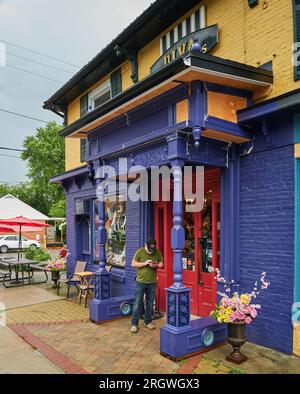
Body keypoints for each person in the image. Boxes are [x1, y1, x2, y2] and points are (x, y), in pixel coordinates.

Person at [130, 238, 163, 334]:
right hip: (140, 281)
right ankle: (134, 324)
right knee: (137, 302)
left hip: (152, 282)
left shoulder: (157, 252)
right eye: (149, 249)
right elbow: (133, 264)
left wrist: (155, 265)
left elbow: (161, 264)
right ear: (145, 245)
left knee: (149, 303)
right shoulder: (140, 251)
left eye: (153, 248)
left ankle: (147, 321)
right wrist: (145, 263)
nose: (151, 251)